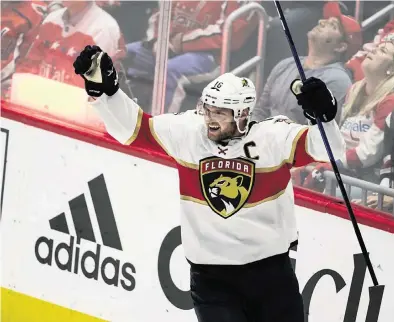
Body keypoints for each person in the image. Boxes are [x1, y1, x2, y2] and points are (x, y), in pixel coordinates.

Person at [73, 45, 345, 322]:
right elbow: (133, 130)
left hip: (271, 275)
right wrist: (105, 92)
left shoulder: (273, 137)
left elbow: (329, 149)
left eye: (220, 113)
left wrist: (325, 116)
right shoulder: (188, 132)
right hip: (212, 279)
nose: (210, 119)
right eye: (208, 109)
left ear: (241, 115)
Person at [295, 41, 394, 197]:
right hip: (340, 169)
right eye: (377, 47)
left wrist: (331, 164)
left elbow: (368, 153)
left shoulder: (392, 100)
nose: (374, 50)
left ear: (392, 68)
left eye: (383, 51)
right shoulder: (355, 90)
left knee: (331, 194)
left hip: (366, 180)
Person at [123, 0, 259, 114]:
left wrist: (181, 42)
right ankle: (123, 118)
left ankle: (160, 131)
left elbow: (231, 34)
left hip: (211, 54)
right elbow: (162, 12)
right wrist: (158, 39)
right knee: (126, 53)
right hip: (170, 44)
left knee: (171, 70)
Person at [252, 1, 361, 125]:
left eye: (333, 26)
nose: (321, 22)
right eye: (325, 19)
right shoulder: (285, 64)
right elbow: (260, 111)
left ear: (341, 47)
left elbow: (318, 133)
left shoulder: (337, 81)